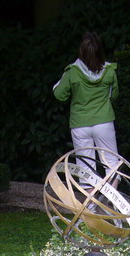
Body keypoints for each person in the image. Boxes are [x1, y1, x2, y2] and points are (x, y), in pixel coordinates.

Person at [53, 32, 119, 173]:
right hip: (104, 122)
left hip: (80, 124)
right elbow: (114, 96)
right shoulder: (110, 71)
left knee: (85, 168)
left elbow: (60, 95)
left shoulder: (72, 71)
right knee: (112, 163)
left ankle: (90, 195)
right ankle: (108, 195)